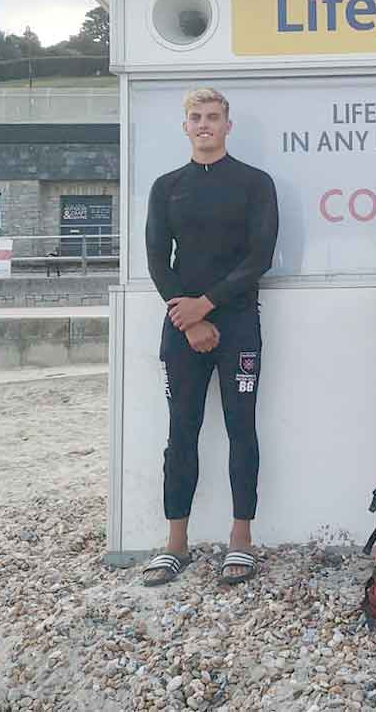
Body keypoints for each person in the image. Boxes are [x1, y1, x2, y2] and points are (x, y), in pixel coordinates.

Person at [142, 88, 279, 587]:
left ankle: (240, 539)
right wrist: (191, 317)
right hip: (182, 328)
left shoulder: (254, 183)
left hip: (239, 323)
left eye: (213, 117)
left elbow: (259, 257)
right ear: (185, 127)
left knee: (242, 429)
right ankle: (174, 542)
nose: (204, 125)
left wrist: (208, 304)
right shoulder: (166, 187)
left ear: (227, 125)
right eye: (196, 118)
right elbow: (158, 260)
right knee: (182, 430)